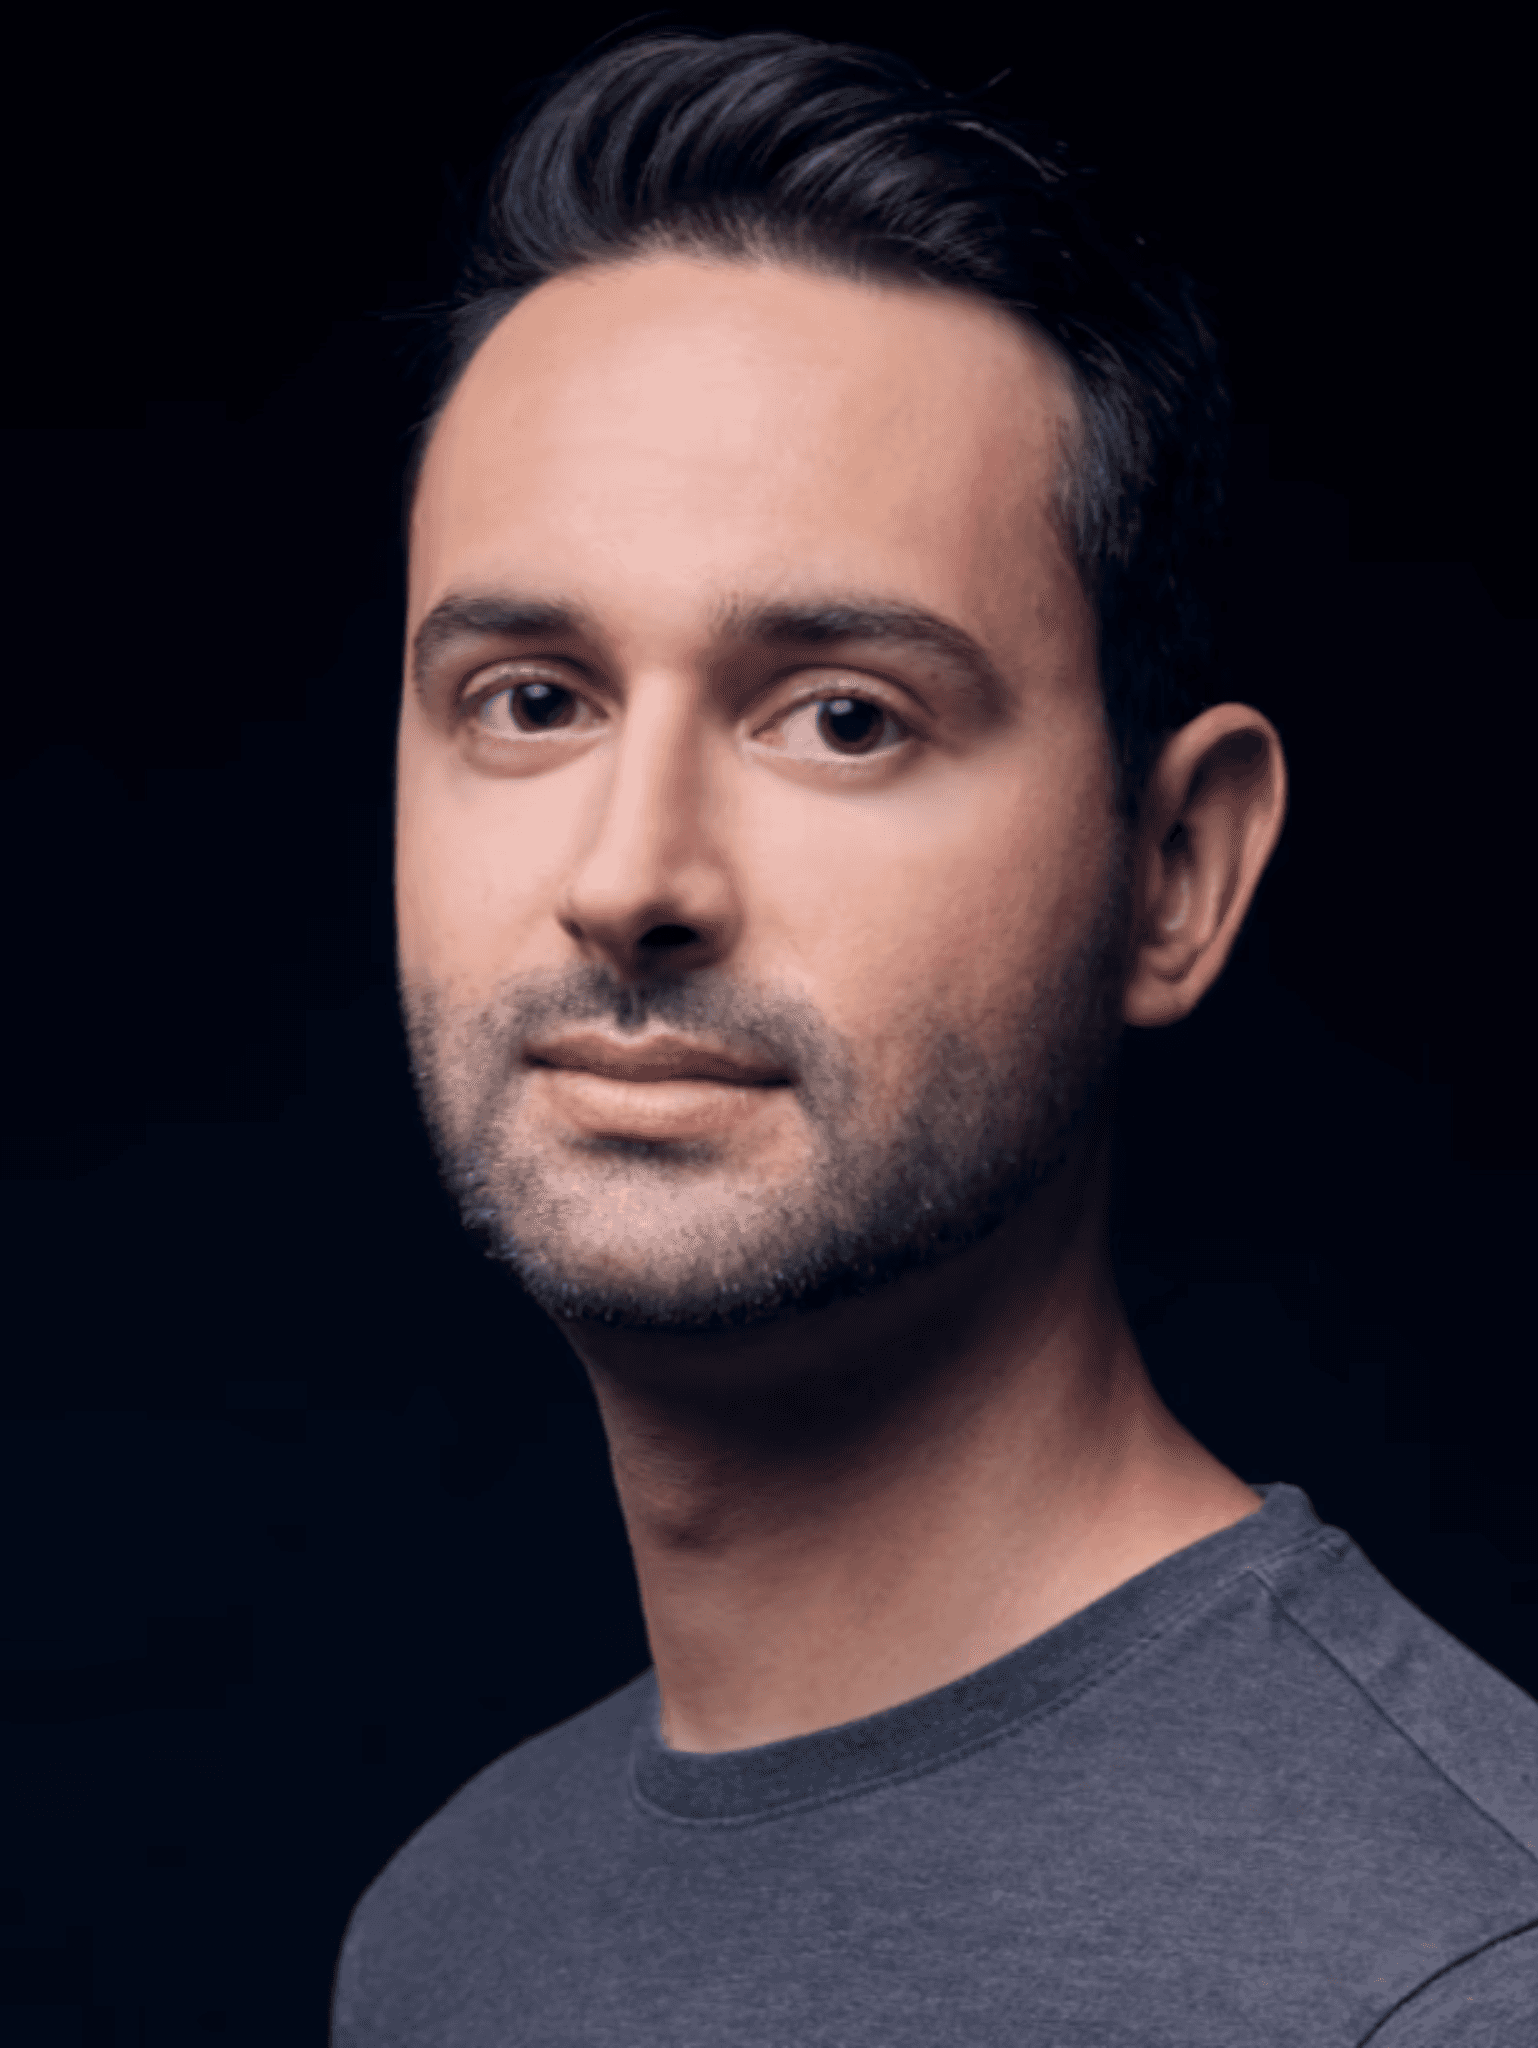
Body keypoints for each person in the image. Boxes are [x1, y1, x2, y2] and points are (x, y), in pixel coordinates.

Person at [332, 28, 1538, 2045]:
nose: (631, 876)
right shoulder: (449, 1928)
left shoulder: (1462, 1974)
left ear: (1174, 869)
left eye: (841, 717)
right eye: (532, 699)